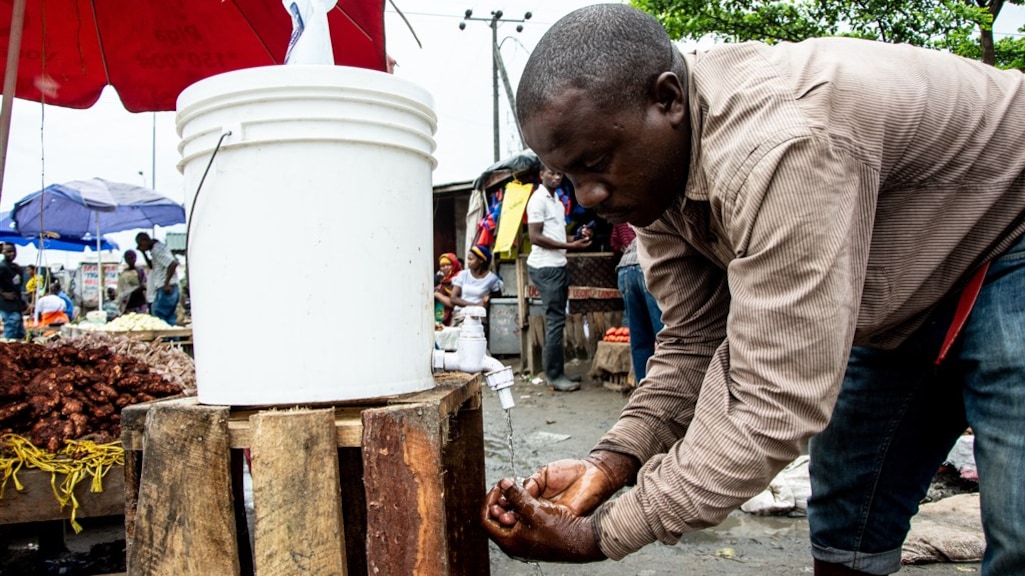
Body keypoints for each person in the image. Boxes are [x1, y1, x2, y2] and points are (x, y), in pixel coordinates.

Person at [482, 5, 1025, 576]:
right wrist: (612, 463)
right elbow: (693, 342)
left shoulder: (781, 146)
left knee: (1017, 531)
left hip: (1008, 235)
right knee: (846, 520)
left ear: (668, 100)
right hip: (906, 296)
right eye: (567, 177)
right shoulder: (652, 181)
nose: (586, 196)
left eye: (594, 164)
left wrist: (600, 535)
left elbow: (771, 401)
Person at [526, 165, 592, 392]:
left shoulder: (557, 201)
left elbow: (558, 235)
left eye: (559, 174)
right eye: (551, 173)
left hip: (558, 265)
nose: (555, 177)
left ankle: (558, 372)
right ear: (541, 175)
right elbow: (535, 237)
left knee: (558, 319)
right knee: (555, 320)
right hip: (545, 267)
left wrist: (578, 238)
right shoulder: (538, 200)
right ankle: (554, 376)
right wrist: (568, 245)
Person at [610, 222, 663, 381]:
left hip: (625, 268)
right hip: (645, 264)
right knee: (664, 335)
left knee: (639, 337)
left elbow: (614, 242)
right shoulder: (659, 209)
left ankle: (644, 387)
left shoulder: (623, 214)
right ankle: (664, 387)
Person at [449, 244, 503, 320]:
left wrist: (489, 296)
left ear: (481, 260)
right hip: (460, 314)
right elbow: (453, 298)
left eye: (471, 259)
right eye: (468, 259)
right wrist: (475, 305)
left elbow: (498, 296)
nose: (468, 262)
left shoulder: (492, 279)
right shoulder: (463, 275)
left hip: (478, 316)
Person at [136, 232, 179, 326]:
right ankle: (172, 339)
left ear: (145, 240)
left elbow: (173, 263)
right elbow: (152, 266)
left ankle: (166, 339)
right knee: (168, 317)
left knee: (159, 314)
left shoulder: (158, 250)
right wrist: (143, 253)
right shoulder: (154, 250)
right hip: (165, 286)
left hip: (167, 286)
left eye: (140, 244)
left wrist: (166, 282)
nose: (140, 246)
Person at [0, 242, 26, 340]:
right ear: (3, 252)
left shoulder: (14, 267)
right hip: (7, 304)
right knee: (12, 324)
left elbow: (18, 284)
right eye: (9, 252)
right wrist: (3, 294)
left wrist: (20, 272)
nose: (12, 254)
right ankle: (7, 349)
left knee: (19, 330)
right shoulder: (2, 266)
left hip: (16, 303)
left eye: (14, 252)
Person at [434, 252, 462, 326]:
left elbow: (454, 303)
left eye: (448, 264)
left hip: (458, 318)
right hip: (442, 319)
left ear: (454, 264)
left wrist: (437, 295)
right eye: (442, 266)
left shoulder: (460, 279)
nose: (445, 267)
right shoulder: (443, 282)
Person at [116, 249, 149, 315]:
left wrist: (134, 290)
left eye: (131, 258)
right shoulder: (123, 273)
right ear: (125, 259)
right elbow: (121, 289)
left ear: (135, 258)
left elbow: (144, 285)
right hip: (128, 303)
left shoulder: (139, 271)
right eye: (128, 258)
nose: (130, 260)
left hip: (139, 302)